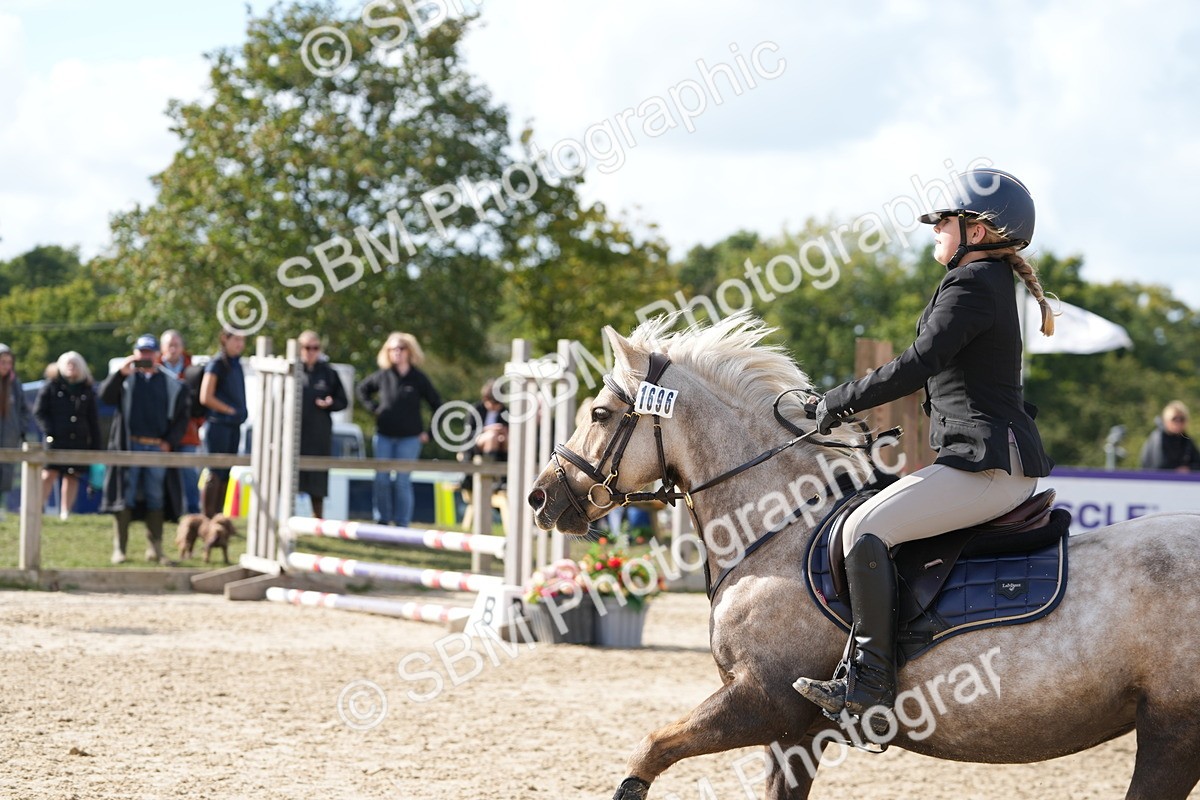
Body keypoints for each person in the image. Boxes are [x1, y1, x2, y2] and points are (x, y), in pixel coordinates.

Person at [792, 168, 1056, 728]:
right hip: (983, 458)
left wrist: (839, 400)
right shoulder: (985, 282)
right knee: (865, 519)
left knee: (865, 531)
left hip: (987, 467)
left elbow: (919, 364)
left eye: (944, 220)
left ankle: (868, 685)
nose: (935, 228)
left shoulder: (971, 285)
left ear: (977, 231)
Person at [99, 334, 191, 564]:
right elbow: (104, 396)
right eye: (142, 352)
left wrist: (169, 440)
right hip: (129, 444)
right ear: (135, 353)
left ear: (156, 354)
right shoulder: (127, 379)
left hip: (155, 447)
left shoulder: (169, 381)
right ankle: (120, 549)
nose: (145, 356)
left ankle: (155, 550)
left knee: (155, 496)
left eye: (150, 352)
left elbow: (182, 415)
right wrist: (120, 373)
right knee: (125, 496)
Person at [356, 332, 441, 528]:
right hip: (384, 435)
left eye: (401, 348)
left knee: (402, 482)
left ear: (409, 352)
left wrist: (430, 433)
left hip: (410, 438)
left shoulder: (418, 378)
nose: (397, 352)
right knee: (382, 479)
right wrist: (374, 408)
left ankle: (402, 525)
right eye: (392, 349)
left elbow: (437, 405)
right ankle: (383, 521)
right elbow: (362, 390)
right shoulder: (383, 375)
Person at [34, 352, 102, 520]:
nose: (72, 367)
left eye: (75, 364)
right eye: (68, 364)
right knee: (49, 473)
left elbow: (93, 420)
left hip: (78, 440)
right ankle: (36, 508)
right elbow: (39, 412)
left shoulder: (87, 389)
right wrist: (49, 431)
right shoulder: (51, 386)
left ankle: (65, 512)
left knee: (72, 476)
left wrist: (96, 446)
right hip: (55, 439)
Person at [297, 331, 348, 519]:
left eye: (315, 348)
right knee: (291, 480)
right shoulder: (291, 370)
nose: (311, 352)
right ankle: (288, 522)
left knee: (317, 482)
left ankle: (317, 521)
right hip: (294, 436)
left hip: (319, 437)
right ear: (299, 349)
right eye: (307, 348)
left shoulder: (329, 373)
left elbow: (344, 401)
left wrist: (330, 403)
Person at [199, 329, 247, 518]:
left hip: (233, 426)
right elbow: (206, 396)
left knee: (227, 472)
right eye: (236, 339)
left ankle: (218, 516)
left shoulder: (237, 364)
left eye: (243, 340)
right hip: (218, 425)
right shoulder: (217, 363)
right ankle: (207, 516)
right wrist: (229, 410)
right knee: (215, 472)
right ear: (224, 339)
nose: (240, 344)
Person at [158, 330, 203, 514]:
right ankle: (166, 511)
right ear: (162, 348)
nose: (173, 349)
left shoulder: (193, 371)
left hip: (187, 433)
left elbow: (200, 404)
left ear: (182, 347)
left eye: (176, 345)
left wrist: (196, 424)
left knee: (188, 473)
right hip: (160, 433)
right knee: (161, 474)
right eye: (169, 345)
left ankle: (193, 512)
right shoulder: (154, 368)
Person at [0, 343, 37, 521]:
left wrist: (21, 430)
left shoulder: (14, 384)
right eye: (2, 362)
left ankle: (1, 508)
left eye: (9, 362)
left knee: (6, 474)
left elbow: (23, 410)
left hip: (9, 436)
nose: (6, 366)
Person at [1139, 401, 1200, 472]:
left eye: (1182, 419)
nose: (1178, 422)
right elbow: (1159, 465)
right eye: (1174, 419)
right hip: (1157, 481)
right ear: (1166, 420)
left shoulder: (1186, 440)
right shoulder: (1158, 438)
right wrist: (1176, 470)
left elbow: (1197, 463)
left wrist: (1188, 468)